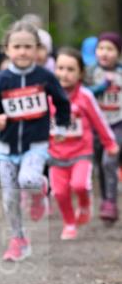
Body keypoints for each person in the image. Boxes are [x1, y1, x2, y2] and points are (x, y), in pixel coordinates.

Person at [0, 21, 70, 262]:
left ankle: (40, 189)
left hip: (36, 146)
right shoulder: (1, 80)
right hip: (7, 149)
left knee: (28, 179)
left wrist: (61, 126)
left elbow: (62, 102)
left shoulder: (44, 77)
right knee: (10, 199)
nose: (22, 52)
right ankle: (18, 240)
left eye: (28, 47)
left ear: (37, 50)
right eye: (17, 46)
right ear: (7, 49)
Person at [48, 47, 117, 240]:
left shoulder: (85, 96)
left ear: (80, 74)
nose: (64, 74)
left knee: (79, 185)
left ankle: (85, 204)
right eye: (60, 68)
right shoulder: (47, 95)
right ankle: (69, 223)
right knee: (60, 193)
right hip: (56, 154)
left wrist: (109, 142)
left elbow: (98, 121)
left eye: (70, 69)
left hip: (81, 152)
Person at [85, 31, 122, 222]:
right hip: (96, 125)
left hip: (117, 123)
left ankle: (111, 202)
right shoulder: (91, 72)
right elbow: (84, 93)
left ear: (118, 53)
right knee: (99, 164)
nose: (105, 53)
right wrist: (101, 87)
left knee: (110, 161)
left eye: (110, 49)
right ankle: (106, 199)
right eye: (101, 48)